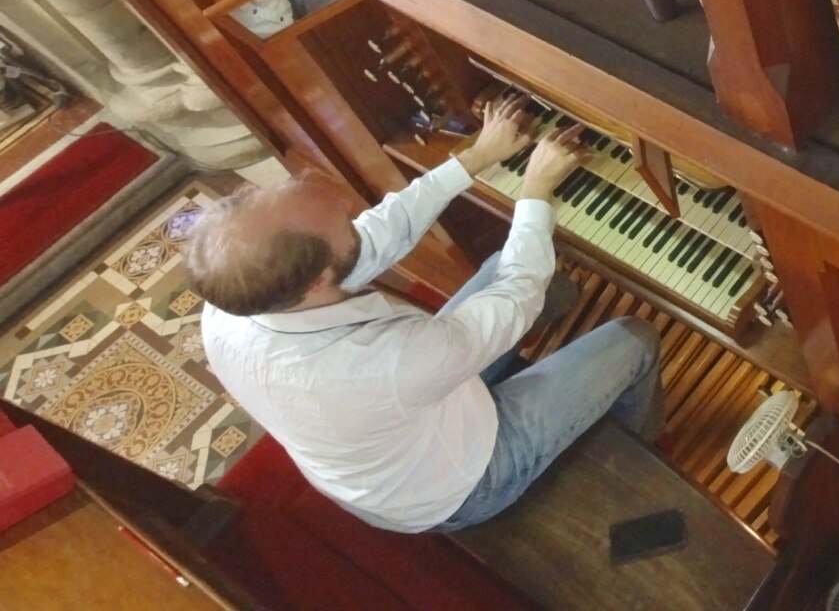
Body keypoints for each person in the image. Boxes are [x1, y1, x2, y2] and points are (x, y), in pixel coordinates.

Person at [187, 95, 662, 533]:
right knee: (634, 339)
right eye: (343, 223)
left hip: (399, 429)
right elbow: (517, 295)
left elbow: (373, 238)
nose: (352, 207)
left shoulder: (234, 295)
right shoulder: (386, 364)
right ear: (316, 282)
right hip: (461, 483)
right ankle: (637, 445)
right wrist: (535, 187)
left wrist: (476, 155)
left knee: (523, 272)